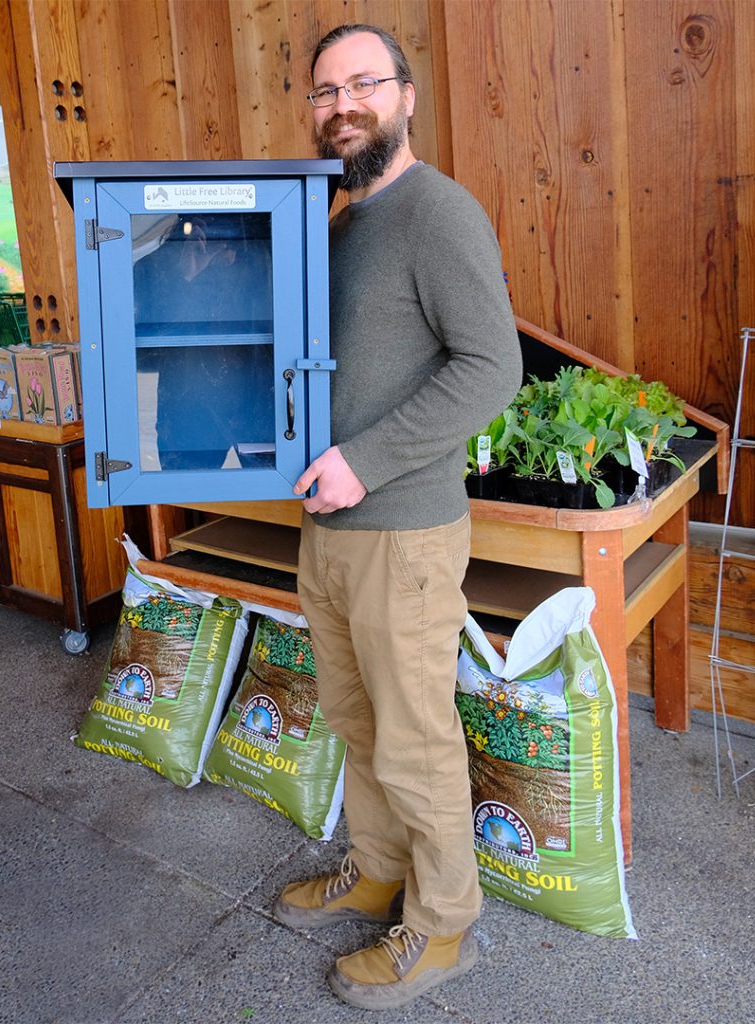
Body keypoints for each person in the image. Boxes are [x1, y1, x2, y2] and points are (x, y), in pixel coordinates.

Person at [272, 24, 523, 1012]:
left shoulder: (437, 213)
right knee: (354, 717)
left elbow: (491, 369)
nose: (343, 106)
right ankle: (375, 869)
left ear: (405, 96)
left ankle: (444, 923)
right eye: (325, 91)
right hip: (328, 532)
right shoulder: (337, 226)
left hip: (405, 535)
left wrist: (363, 461)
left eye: (362, 84)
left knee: (413, 737)